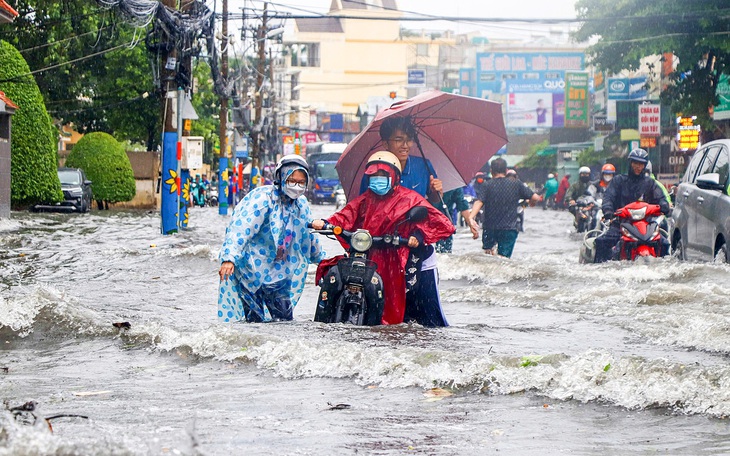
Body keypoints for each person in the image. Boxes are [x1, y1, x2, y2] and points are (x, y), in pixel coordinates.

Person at [311, 151, 454, 326]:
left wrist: (416, 236)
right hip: (370, 254)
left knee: (405, 309)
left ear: (394, 176)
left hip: (397, 256)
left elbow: (438, 223)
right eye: (374, 175)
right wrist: (325, 223)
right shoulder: (364, 200)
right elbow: (345, 216)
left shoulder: (409, 199)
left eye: (383, 175)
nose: (378, 179)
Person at [217, 154, 326, 323]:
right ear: (280, 178)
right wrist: (229, 258)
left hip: (280, 274)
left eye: (301, 182)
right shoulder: (263, 199)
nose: (296, 187)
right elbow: (241, 229)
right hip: (251, 271)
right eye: (292, 181)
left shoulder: (301, 205)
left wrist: (325, 262)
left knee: (284, 321)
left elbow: (307, 238)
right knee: (254, 322)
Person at [593, 148, 671, 263]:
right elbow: (608, 197)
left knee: (664, 243)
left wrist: (664, 205)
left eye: (641, 164)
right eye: (635, 163)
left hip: (646, 225)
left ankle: (666, 270)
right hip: (620, 224)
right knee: (602, 242)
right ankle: (598, 270)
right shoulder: (618, 181)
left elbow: (660, 198)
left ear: (645, 166)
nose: (637, 166)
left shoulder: (650, 183)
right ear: (630, 163)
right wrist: (608, 210)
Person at [470, 157, 540, 258]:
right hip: (509, 229)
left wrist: (471, 217)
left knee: (488, 258)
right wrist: (532, 203)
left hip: (490, 228)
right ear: (506, 170)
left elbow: (479, 201)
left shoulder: (487, 185)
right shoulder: (516, 184)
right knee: (504, 260)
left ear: (491, 171)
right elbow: (535, 197)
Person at [433, 187, 478, 253]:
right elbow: (462, 205)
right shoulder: (453, 185)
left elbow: (462, 205)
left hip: (442, 224)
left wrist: (471, 224)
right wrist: (470, 223)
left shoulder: (453, 186)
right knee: (443, 253)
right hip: (443, 223)